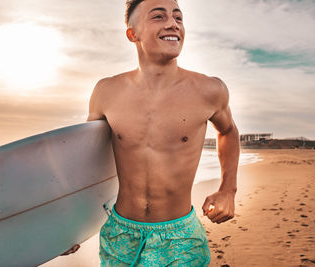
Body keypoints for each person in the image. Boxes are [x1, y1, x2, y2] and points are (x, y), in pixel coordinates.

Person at [62, 0, 240, 265]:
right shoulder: (106, 91)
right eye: (158, 16)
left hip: (180, 238)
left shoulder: (209, 90)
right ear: (132, 34)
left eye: (178, 18)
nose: (173, 24)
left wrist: (228, 189)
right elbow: (88, 162)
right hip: (119, 234)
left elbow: (228, 131)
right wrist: (65, 225)